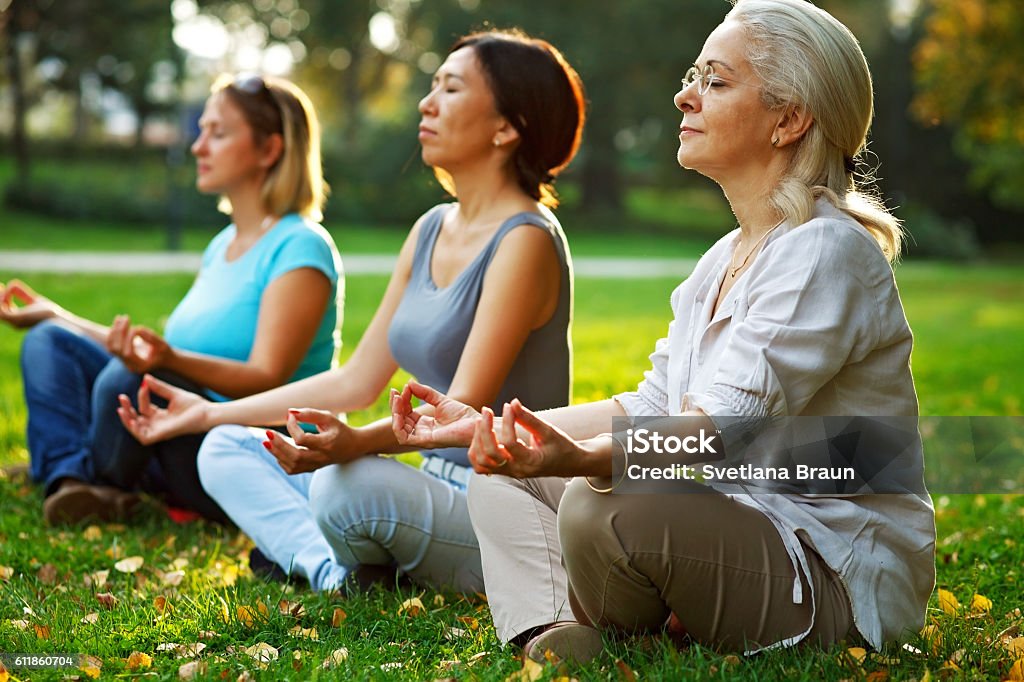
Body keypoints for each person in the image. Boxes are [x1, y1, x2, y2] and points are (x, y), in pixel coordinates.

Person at [391, 0, 936, 664]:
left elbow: (712, 437)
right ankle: (557, 633)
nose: (684, 97)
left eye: (715, 81)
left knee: (606, 506)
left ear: (789, 119)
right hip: (725, 521)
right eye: (693, 76)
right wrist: (504, 431)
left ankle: (640, 622)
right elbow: (650, 408)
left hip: (823, 571)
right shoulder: (723, 257)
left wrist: (579, 460)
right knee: (501, 476)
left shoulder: (824, 251)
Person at [115, 29, 586, 593]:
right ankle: (333, 569)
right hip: (424, 488)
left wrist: (355, 444)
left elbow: (458, 416)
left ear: (507, 127)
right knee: (226, 447)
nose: (426, 102)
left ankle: (322, 554)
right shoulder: (431, 228)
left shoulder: (526, 241)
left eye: (452, 88)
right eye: (432, 84)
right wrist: (207, 414)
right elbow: (356, 380)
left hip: (497, 510)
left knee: (348, 485)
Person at [0, 74, 341, 525]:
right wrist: (58, 315)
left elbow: (267, 376)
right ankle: (73, 481)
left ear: (269, 150)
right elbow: (157, 357)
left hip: (245, 450)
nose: (198, 147)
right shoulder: (223, 246)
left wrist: (167, 360)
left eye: (217, 133)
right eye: (202, 131)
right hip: (180, 427)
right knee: (50, 341)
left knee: (133, 377)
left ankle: (82, 474)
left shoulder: (301, 246)